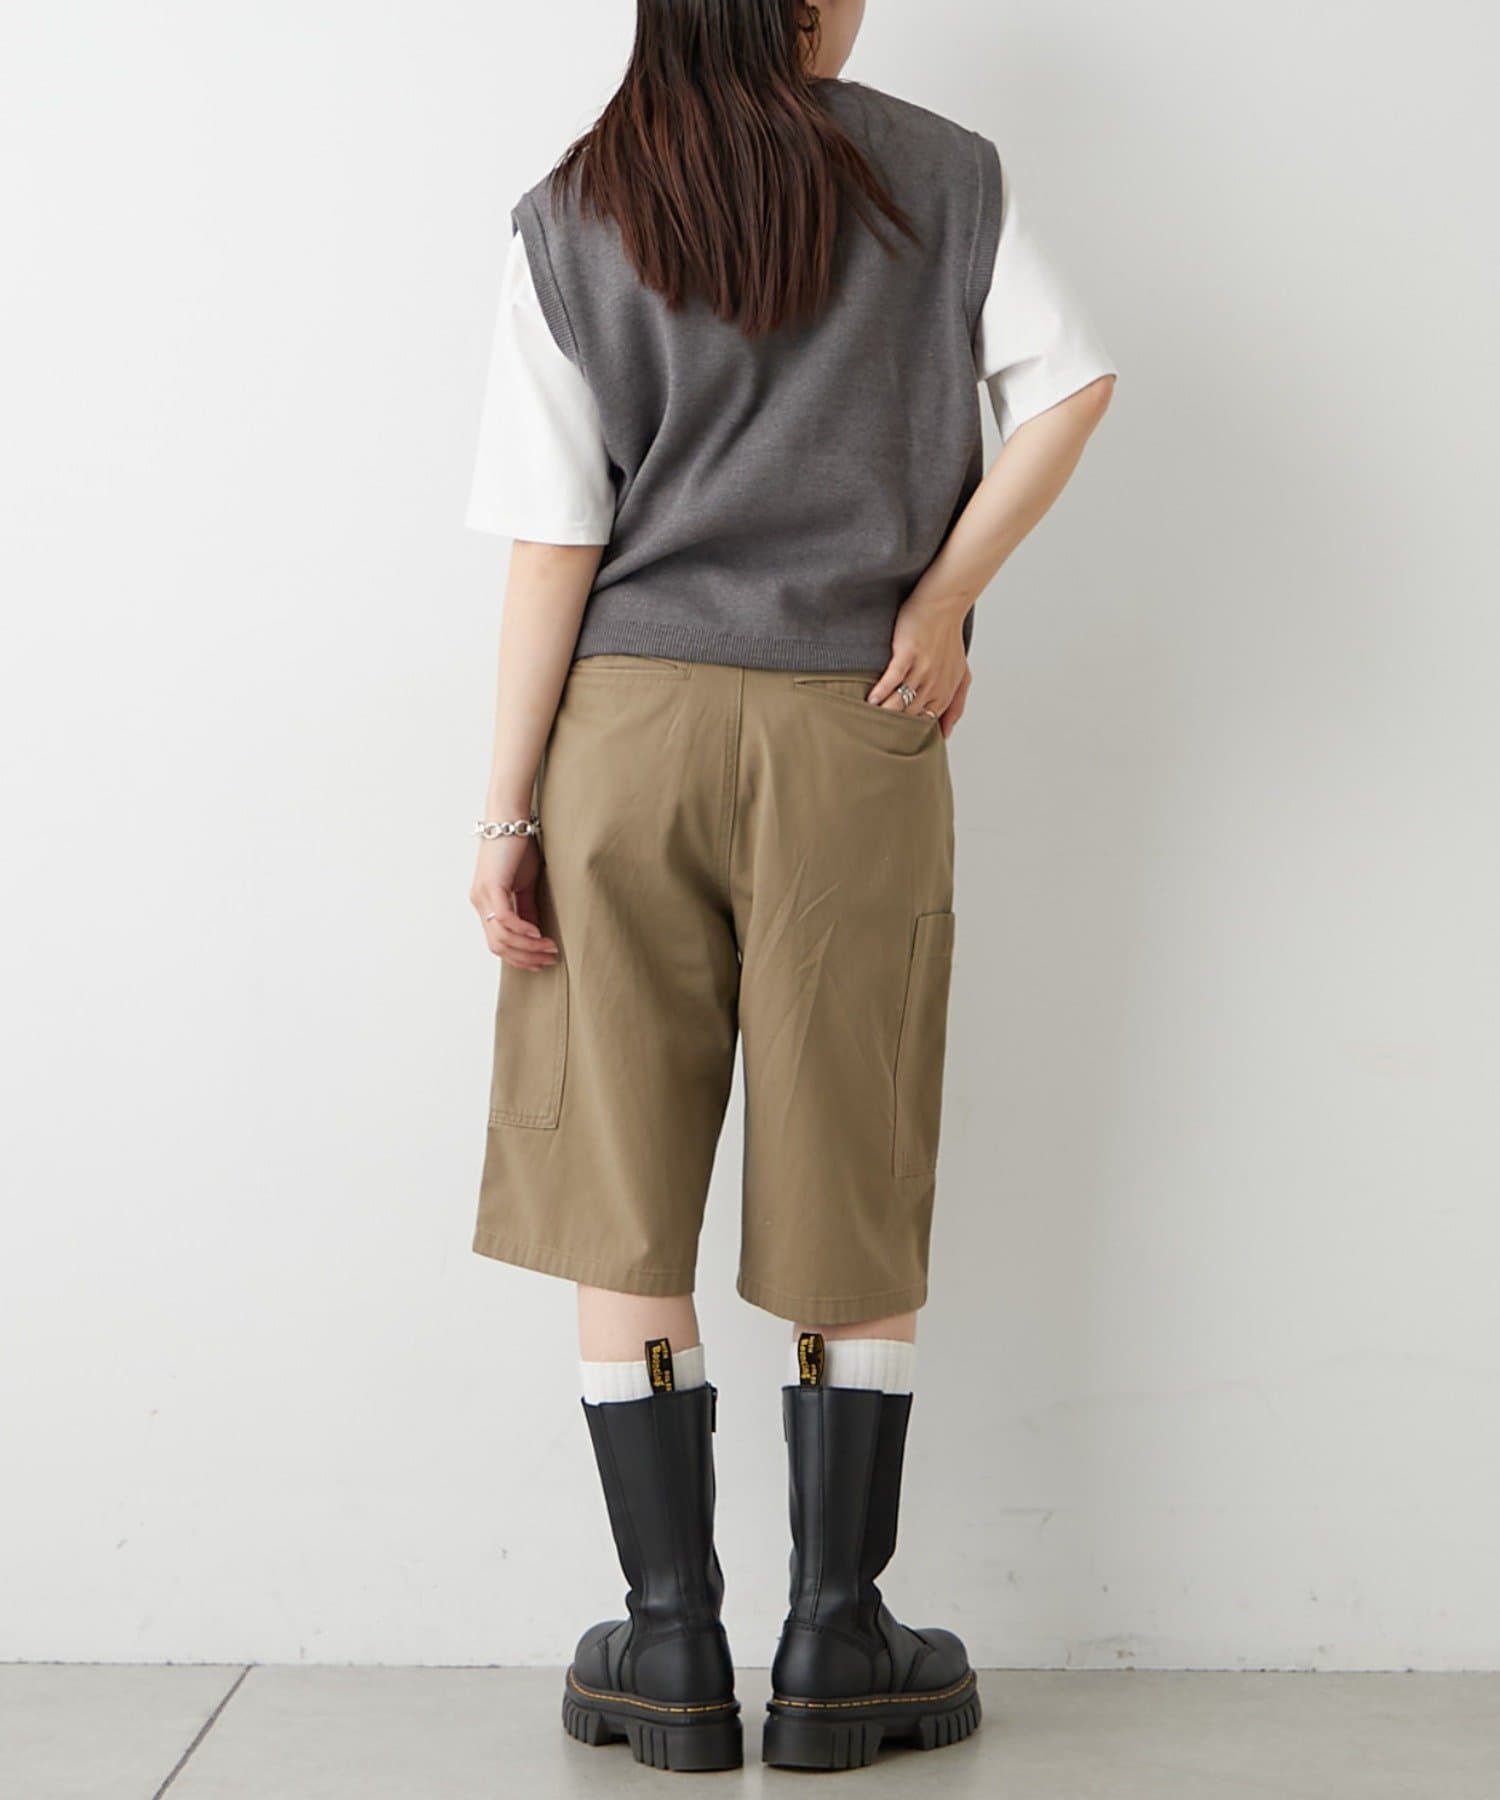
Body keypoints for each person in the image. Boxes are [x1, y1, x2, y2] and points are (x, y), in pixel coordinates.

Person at [465, 0, 1115, 1773]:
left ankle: (671, 1644)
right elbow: (1072, 385)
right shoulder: (941, 179)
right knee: (852, 1150)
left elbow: (556, 535)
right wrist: (942, 600)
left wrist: (507, 811)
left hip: (625, 739)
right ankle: (837, 1641)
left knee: (618, 1172)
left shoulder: (575, 207)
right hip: (857, 723)